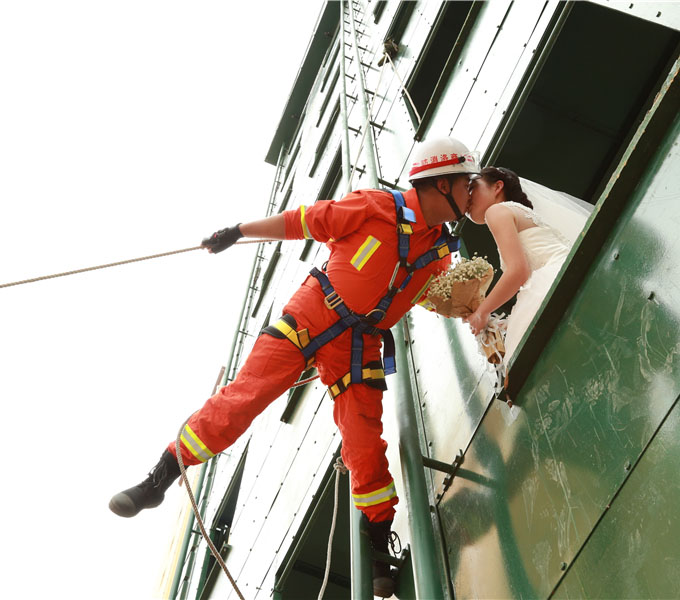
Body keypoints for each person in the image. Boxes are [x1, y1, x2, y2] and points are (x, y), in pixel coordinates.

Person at [109, 136, 479, 598]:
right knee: (242, 398)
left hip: (358, 344)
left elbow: (432, 297)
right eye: (466, 182)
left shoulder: (439, 253)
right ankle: (158, 480)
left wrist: (475, 308)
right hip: (311, 315)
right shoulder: (374, 206)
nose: (471, 191)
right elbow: (304, 220)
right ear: (442, 183)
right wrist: (238, 231)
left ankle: (379, 544)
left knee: (364, 444)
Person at [463, 167, 571, 361]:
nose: (466, 198)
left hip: (552, 279)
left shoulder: (496, 211)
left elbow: (518, 271)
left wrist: (481, 312)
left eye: (472, 188)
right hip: (563, 272)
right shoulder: (519, 212)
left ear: (497, 187)